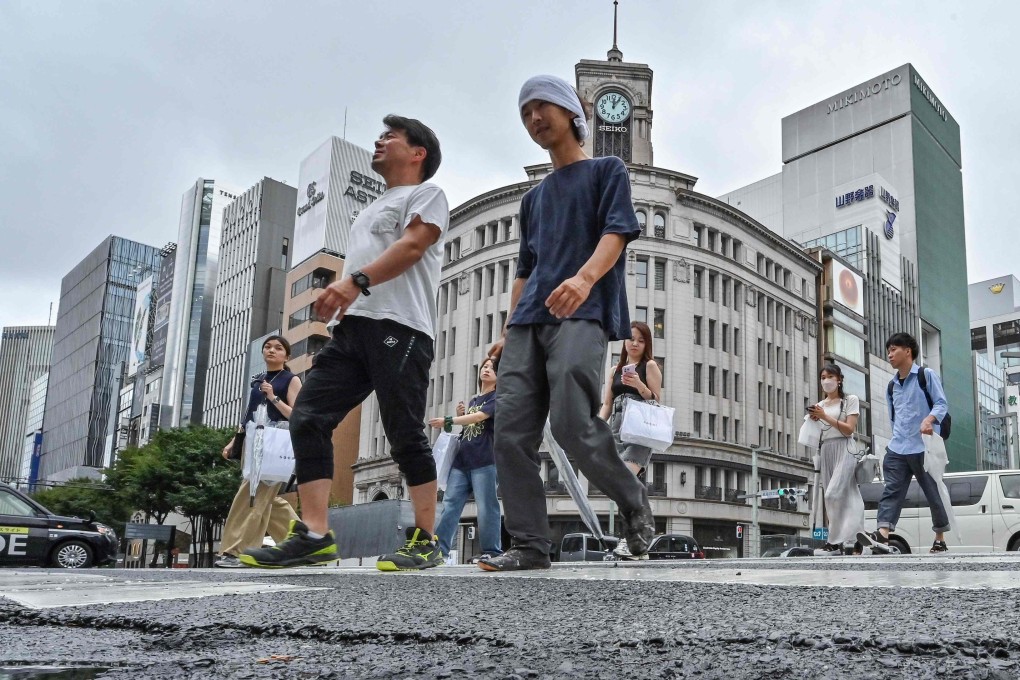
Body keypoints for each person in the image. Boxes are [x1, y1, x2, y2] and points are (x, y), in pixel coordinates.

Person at [241, 115, 449, 571]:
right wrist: (344, 297)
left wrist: (353, 282)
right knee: (309, 417)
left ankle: (426, 538)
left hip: (402, 327)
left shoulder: (426, 195)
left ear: (418, 154)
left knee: (404, 433)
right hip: (352, 331)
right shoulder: (369, 210)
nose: (379, 141)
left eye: (390, 137)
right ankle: (315, 535)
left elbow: (413, 246)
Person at [481, 74, 654, 572]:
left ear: (570, 111)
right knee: (510, 432)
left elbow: (618, 231)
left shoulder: (607, 170)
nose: (535, 119)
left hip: (583, 312)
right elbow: (524, 270)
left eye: (542, 107)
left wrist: (583, 279)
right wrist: (506, 332)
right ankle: (531, 545)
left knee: (572, 423)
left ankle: (631, 497)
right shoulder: (532, 199)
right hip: (528, 322)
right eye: (525, 113)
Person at [858, 332, 951, 554]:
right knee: (892, 490)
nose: (889, 354)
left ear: (907, 351)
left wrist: (929, 419)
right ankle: (882, 534)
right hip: (899, 447)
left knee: (933, 492)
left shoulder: (925, 375)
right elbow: (894, 417)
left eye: (893, 349)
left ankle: (940, 537)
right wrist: (892, 443)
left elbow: (941, 403)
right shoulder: (891, 386)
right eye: (888, 350)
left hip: (924, 446)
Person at [215, 336, 301, 568]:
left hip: (275, 444)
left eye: (278, 348)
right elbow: (249, 415)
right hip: (253, 443)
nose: (271, 350)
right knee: (268, 500)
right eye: (268, 347)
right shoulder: (258, 382)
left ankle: (239, 551)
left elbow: (297, 415)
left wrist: (273, 396)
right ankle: (300, 543)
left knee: (250, 496)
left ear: (287, 356)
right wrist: (235, 440)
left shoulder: (290, 380)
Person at [598, 321, 662, 560]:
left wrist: (638, 385)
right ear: (624, 341)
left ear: (646, 344)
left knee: (626, 480)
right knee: (626, 487)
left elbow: (656, 399)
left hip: (641, 430)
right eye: (631, 338)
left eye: (641, 340)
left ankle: (630, 540)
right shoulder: (615, 370)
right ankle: (640, 543)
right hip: (617, 431)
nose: (635, 343)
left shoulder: (650, 366)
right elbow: (606, 404)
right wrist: (596, 428)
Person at [429, 357, 502, 563]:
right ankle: (440, 551)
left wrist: (450, 420)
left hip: (485, 459)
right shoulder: (474, 401)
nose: (487, 370)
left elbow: (479, 418)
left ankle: (492, 551)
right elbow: (471, 427)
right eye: (485, 367)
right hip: (462, 461)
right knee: (450, 503)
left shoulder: (497, 398)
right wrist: (460, 416)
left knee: (486, 505)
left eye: (492, 368)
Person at [807, 364, 864, 557]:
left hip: (845, 448)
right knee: (842, 496)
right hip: (826, 450)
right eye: (823, 377)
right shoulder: (820, 405)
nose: (826, 381)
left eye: (830, 376)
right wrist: (815, 419)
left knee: (833, 494)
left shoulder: (850, 400)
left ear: (839, 379)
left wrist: (824, 417)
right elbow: (818, 433)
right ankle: (856, 537)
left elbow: (849, 429)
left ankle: (833, 542)